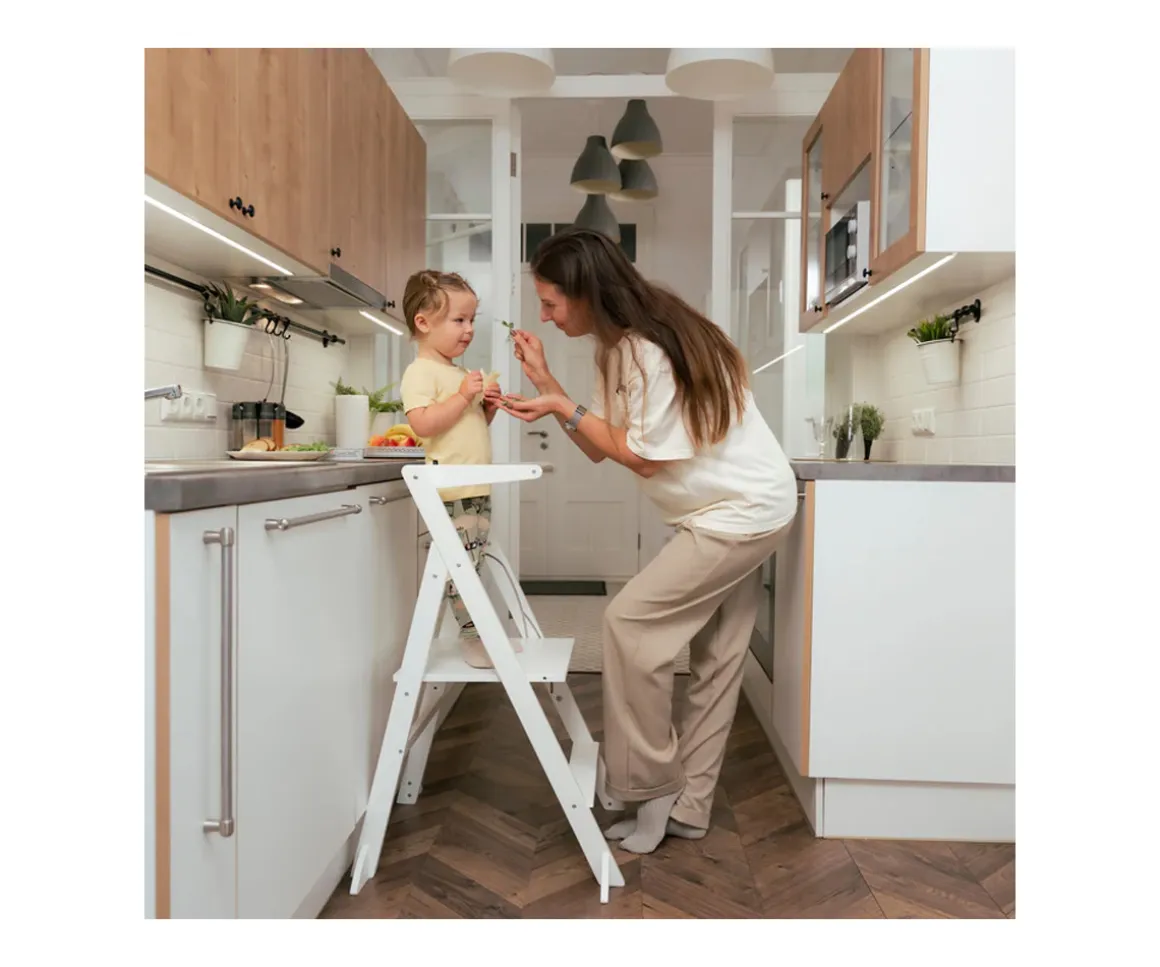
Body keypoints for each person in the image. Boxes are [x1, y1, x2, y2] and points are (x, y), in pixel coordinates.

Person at [501, 227, 799, 854]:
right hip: (731, 507)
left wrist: (560, 405)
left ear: (586, 293)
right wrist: (550, 389)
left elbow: (641, 457)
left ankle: (651, 787)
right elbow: (602, 447)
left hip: (740, 511)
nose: (545, 316)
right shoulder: (617, 350)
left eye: (550, 303)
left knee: (629, 623)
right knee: (718, 654)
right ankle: (690, 806)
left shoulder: (646, 351)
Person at [399, 269, 509, 669]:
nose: (469, 330)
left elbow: (467, 428)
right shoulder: (420, 372)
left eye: (471, 319)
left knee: (472, 564)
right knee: (462, 569)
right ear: (423, 323)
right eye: (458, 320)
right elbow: (423, 425)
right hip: (450, 492)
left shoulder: (460, 374)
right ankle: (473, 639)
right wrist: (464, 398)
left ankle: (482, 635)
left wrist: (487, 408)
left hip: (475, 488)